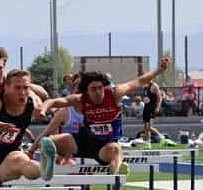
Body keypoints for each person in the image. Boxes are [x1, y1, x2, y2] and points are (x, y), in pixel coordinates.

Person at [36, 57, 171, 175]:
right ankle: (47, 166)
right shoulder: (81, 98)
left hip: (106, 146)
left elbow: (139, 81)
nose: (98, 92)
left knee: (115, 149)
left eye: (100, 88)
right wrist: (43, 108)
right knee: (49, 141)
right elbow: (55, 101)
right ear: (86, 91)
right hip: (85, 141)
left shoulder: (115, 93)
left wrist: (159, 70)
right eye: (93, 89)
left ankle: (116, 174)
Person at [34, 73, 98, 190]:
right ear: (73, 91)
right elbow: (48, 132)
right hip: (66, 154)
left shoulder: (93, 109)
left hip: (86, 154)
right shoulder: (65, 112)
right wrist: (32, 149)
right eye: (78, 89)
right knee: (75, 179)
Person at [142, 76, 162, 148]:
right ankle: (148, 143)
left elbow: (159, 97)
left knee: (149, 127)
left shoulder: (154, 86)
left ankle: (161, 137)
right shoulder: (145, 86)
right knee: (145, 127)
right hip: (146, 107)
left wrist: (157, 107)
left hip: (152, 108)